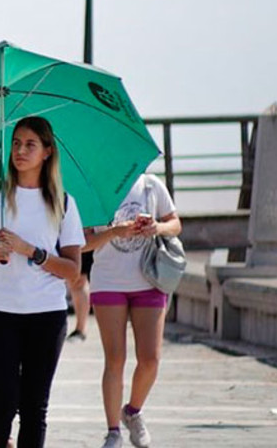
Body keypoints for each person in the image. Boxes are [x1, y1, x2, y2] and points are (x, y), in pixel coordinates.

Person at [0, 116, 85, 448]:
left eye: (30, 144)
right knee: (1, 403)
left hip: (46, 315)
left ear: (47, 151)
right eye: (16, 143)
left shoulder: (63, 202)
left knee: (34, 407)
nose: (20, 151)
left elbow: (73, 270)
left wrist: (31, 251)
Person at [85, 174, 181, 448]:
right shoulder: (95, 188)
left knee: (150, 359)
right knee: (115, 359)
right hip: (108, 281)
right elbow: (82, 243)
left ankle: (132, 412)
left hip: (150, 278)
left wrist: (157, 227)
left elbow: (175, 224)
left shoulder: (151, 185)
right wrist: (114, 232)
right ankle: (113, 431)